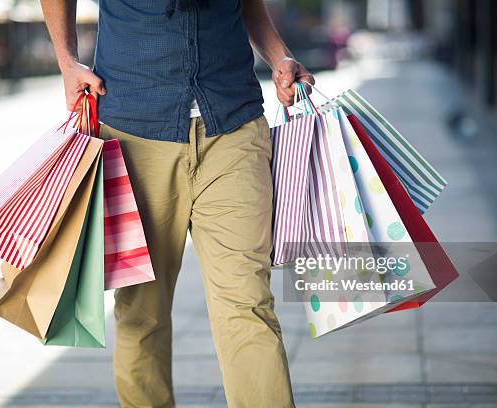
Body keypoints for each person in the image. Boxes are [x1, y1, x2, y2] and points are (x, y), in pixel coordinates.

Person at [40, 1, 314, 407]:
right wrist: (67, 61)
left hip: (232, 124)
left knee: (247, 304)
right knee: (140, 311)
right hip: (133, 130)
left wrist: (279, 55)